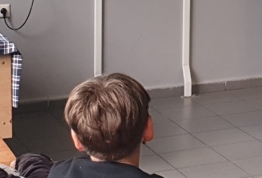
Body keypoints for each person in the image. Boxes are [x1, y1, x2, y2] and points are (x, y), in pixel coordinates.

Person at [13, 73, 161, 178]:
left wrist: (19, 163)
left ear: (76, 140)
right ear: (148, 129)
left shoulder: (59, 172)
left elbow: (33, 166)